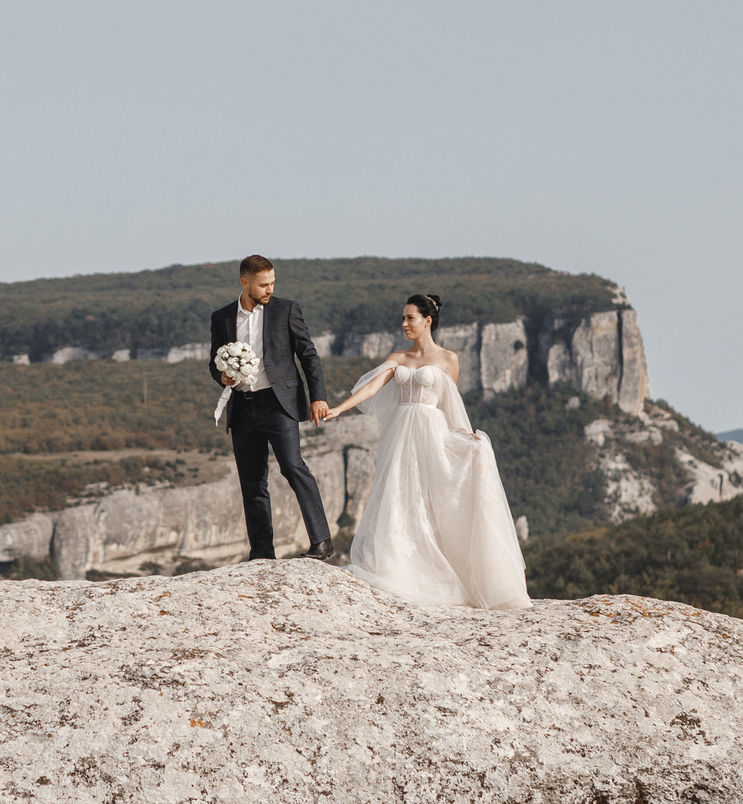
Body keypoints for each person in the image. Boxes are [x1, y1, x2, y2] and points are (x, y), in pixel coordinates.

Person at [320, 293, 531, 610]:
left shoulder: (449, 359)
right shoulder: (399, 357)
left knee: (432, 501)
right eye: (403, 318)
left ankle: (453, 572)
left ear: (427, 321)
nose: (404, 323)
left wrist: (465, 439)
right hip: (400, 434)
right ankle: (396, 570)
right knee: (397, 494)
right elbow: (371, 388)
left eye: (410, 318)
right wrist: (340, 408)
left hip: (431, 434)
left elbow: (450, 405)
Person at [208, 255, 336, 562]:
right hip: (242, 408)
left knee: (293, 467)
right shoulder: (222, 317)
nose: (270, 289)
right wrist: (221, 375)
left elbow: (309, 355)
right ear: (245, 282)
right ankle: (262, 554)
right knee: (252, 482)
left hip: (278, 404)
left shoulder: (286, 310)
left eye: (273, 283)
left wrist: (318, 396)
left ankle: (322, 542)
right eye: (264, 284)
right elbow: (213, 361)